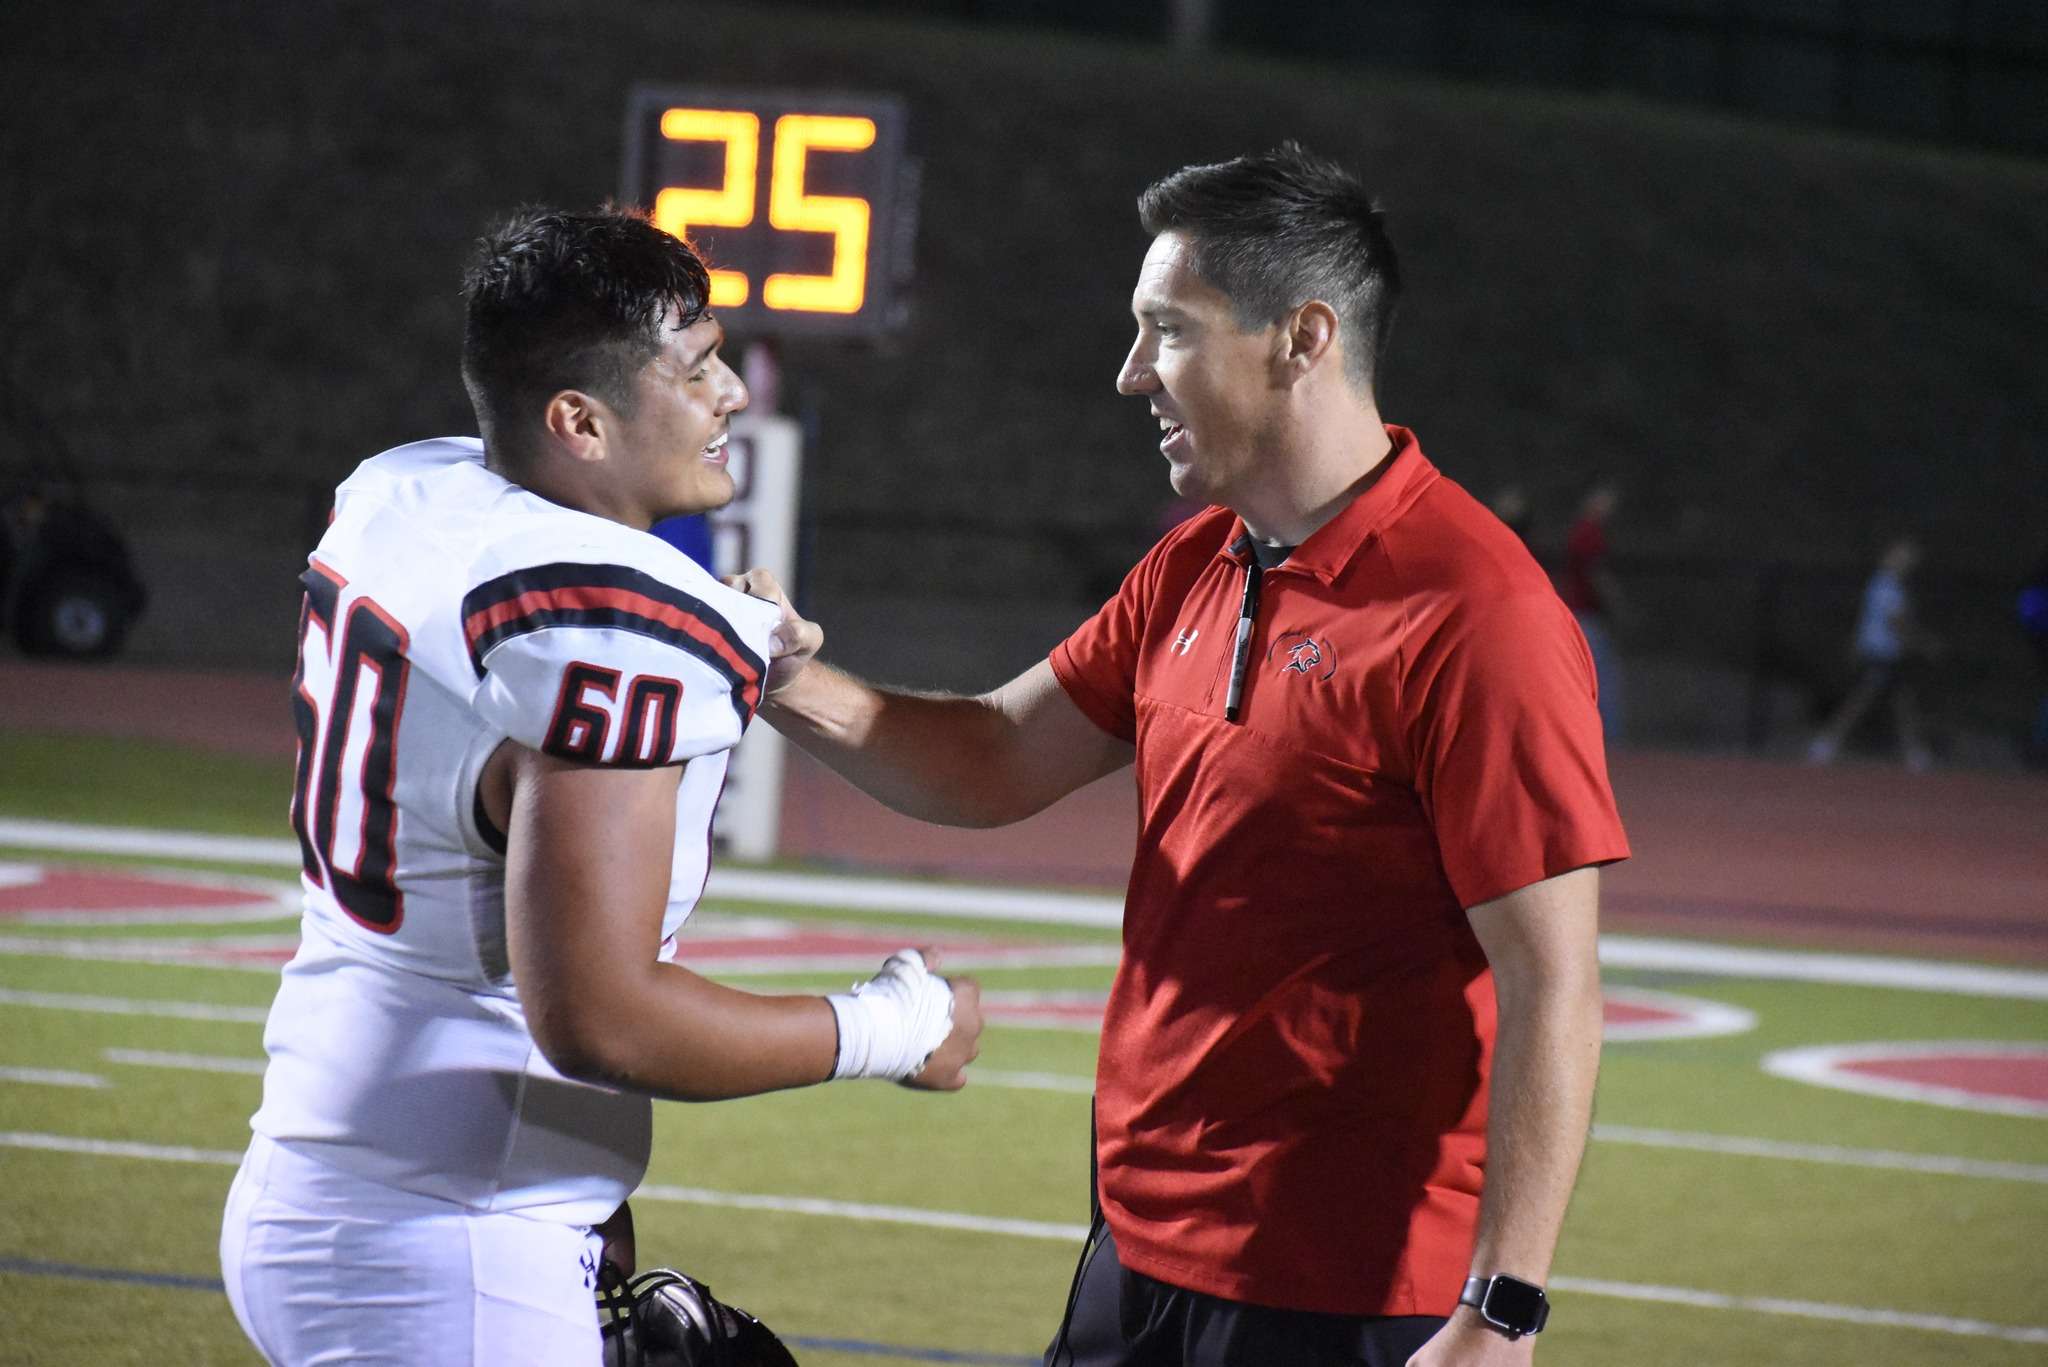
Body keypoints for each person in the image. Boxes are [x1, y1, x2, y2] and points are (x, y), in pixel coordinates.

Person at [741, 144, 1628, 1366]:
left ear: (1300, 337)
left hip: (1350, 1292)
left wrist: (1504, 1306)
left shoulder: (1477, 613)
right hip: (1137, 1245)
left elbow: (1552, 983)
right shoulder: (1198, 560)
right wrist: (776, 677)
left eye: (1165, 330)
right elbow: (994, 756)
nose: (1128, 375)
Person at [219, 207, 982, 1366]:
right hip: (448, 1249)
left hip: (343, 1179)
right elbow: (599, 1017)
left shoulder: (409, 489)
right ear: (577, 417)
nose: (729, 392)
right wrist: (889, 1028)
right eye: (697, 369)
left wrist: (741, 651)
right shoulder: (607, 626)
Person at [1806, 536, 1935, 771]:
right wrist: (1923, 643)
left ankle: (1915, 752)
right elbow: (1896, 622)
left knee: (1902, 702)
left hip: (1890, 654)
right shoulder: (1885, 586)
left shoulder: (1888, 585)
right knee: (1863, 699)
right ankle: (1826, 742)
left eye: (1909, 558)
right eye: (1901, 556)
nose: (1906, 562)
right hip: (1879, 653)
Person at [1557, 479, 1626, 741]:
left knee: (1593, 679)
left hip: (1586, 616)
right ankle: (1601, 739)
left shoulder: (1587, 531)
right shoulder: (1588, 532)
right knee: (1598, 681)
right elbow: (1597, 575)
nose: (1608, 506)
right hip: (1585, 616)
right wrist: (1617, 604)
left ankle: (1595, 738)